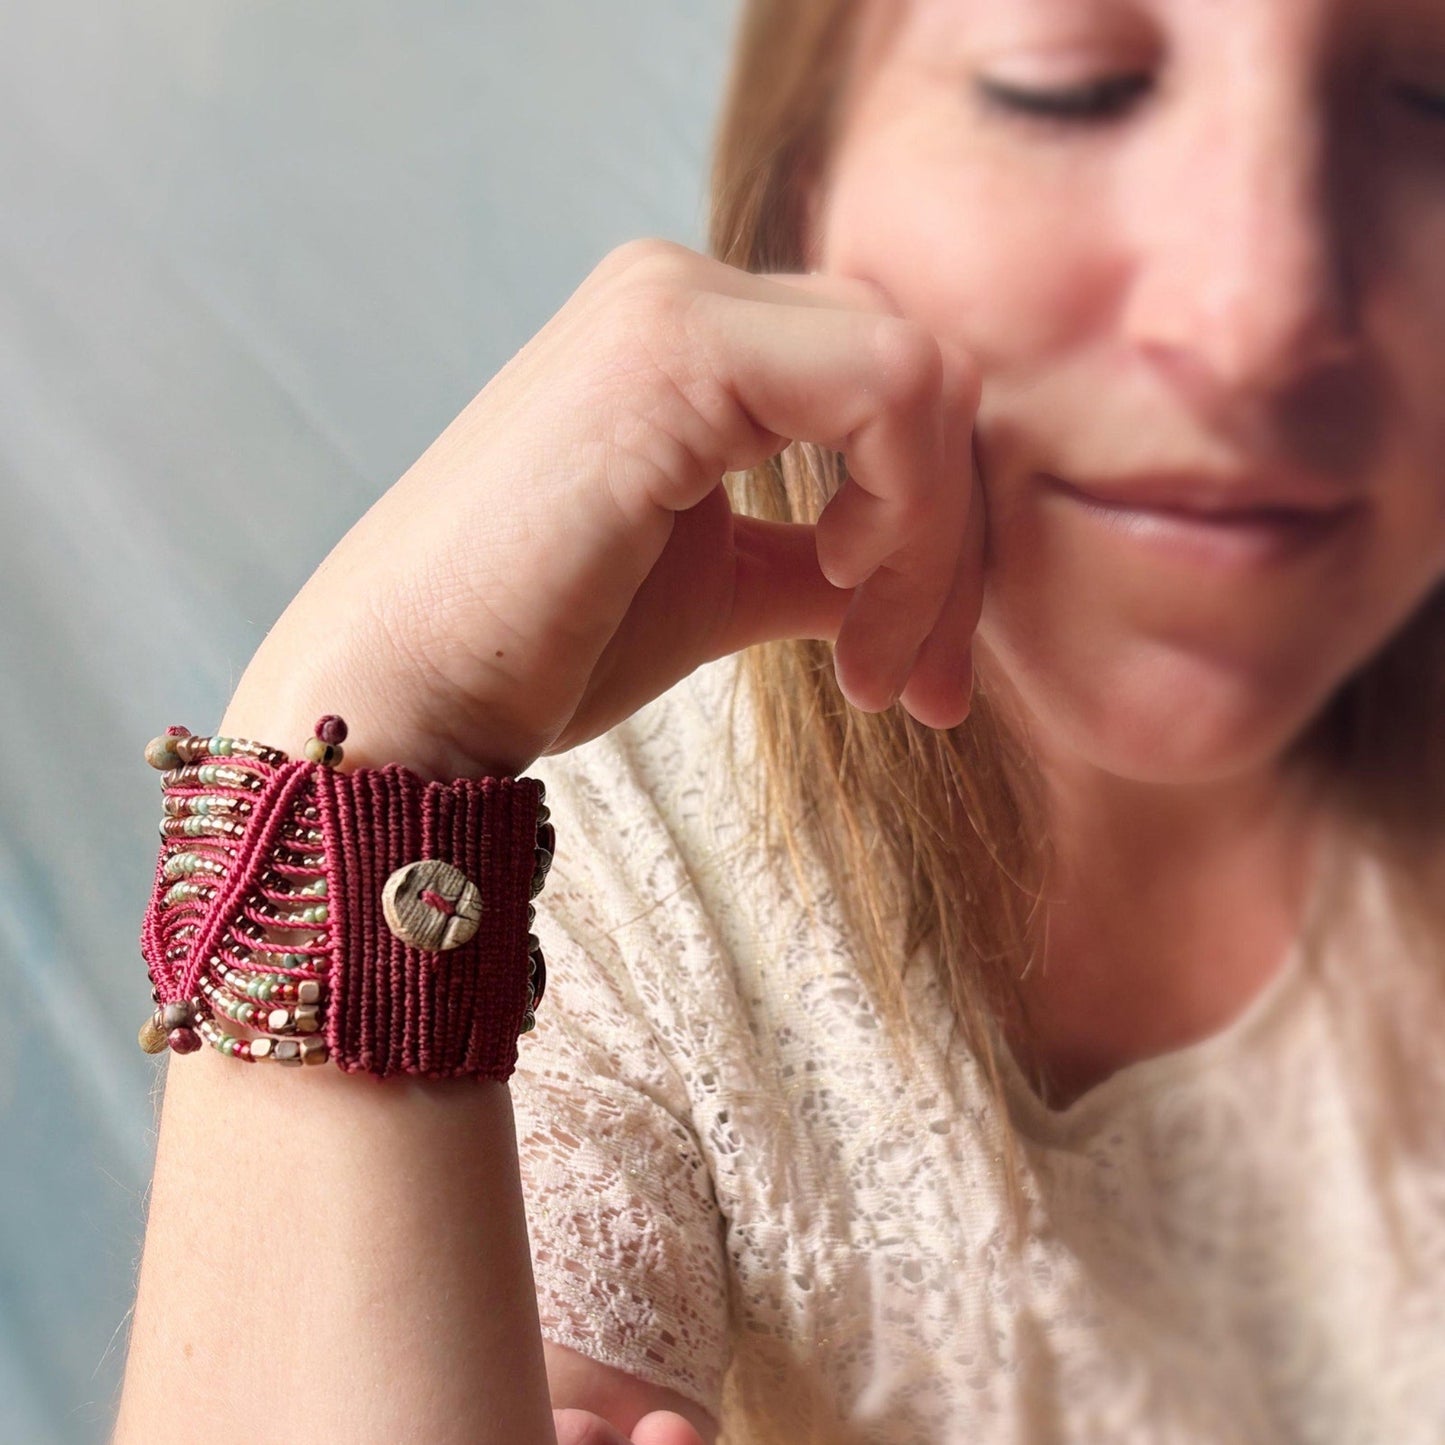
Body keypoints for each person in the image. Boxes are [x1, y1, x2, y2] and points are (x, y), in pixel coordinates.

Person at [114, 0, 1445, 1440]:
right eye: (1066, 90)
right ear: (803, 198)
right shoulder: (600, 885)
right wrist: (373, 728)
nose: (1258, 314)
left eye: (1437, 102)